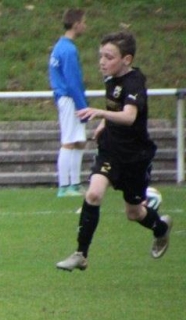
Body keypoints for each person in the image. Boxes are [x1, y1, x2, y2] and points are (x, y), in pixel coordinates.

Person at [56, 31, 171, 271]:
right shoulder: (111, 79)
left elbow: (129, 116)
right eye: (101, 56)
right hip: (110, 151)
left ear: (126, 60)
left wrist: (100, 113)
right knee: (93, 194)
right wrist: (103, 123)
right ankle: (81, 254)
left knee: (134, 213)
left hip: (135, 157)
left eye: (109, 57)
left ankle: (161, 228)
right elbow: (116, 108)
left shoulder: (134, 82)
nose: (102, 62)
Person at [49, 8, 89, 198]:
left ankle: (75, 183)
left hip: (68, 98)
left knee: (79, 141)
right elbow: (73, 81)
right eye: (83, 22)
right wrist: (83, 105)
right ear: (76, 24)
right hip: (69, 98)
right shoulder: (68, 50)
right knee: (69, 141)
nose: (85, 26)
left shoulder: (60, 46)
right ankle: (64, 186)